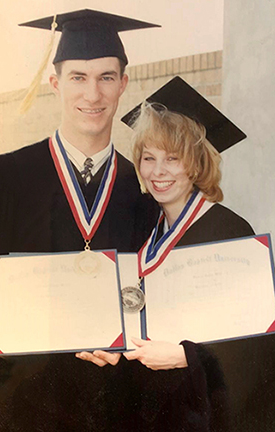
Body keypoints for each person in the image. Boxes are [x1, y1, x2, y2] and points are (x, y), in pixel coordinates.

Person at [0, 10, 160, 432]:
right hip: (14, 402)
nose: (93, 94)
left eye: (106, 77)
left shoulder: (143, 189)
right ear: (55, 84)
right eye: (78, 77)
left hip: (113, 403)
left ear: (123, 84)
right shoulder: (2, 177)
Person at [120, 76, 254, 431]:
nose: (158, 172)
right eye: (149, 158)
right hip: (152, 407)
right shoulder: (146, 227)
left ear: (196, 164)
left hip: (202, 414)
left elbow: (254, 341)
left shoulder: (229, 232)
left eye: (173, 158)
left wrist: (184, 355)